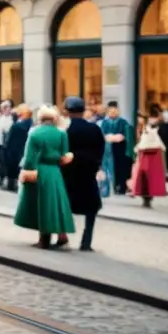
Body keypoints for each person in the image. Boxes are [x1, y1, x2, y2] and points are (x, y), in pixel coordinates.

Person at [14, 105, 75, 248]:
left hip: (39, 170)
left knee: (42, 204)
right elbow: (65, 155)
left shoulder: (35, 133)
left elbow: (29, 157)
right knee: (57, 203)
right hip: (55, 171)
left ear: (40, 118)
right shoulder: (61, 133)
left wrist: (27, 171)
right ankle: (62, 235)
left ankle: (44, 239)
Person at [61, 97, 105, 251]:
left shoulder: (65, 130)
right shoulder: (94, 129)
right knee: (91, 208)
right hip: (87, 173)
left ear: (67, 111)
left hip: (69, 173)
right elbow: (100, 149)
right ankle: (86, 241)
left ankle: (62, 236)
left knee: (64, 204)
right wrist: (96, 166)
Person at [132, 115, 168, 208]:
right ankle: (147, 198)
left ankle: (147, 198)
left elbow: (143, 145)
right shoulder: (148, 131)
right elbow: (161, 146)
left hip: (147, 159)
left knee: (146, 179)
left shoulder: (148, 131)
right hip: (150, 158)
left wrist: (137, 149)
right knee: (147, 179)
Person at [100, 102, 133, 194]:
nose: (113, 112)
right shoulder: (105, 122)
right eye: (111, 111)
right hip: (108, 149)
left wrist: (120, 137)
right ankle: (112, 187)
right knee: (110, 168)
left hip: (120, 148)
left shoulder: (123, 122)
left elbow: (127, 135)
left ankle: (121, 187)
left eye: (115, 110)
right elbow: (102, 134)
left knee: (121, 168)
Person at [3, 104, 32, 192]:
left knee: (13, 168)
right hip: (23, 149)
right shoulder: (30, 124)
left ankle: (12, 184)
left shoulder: (17, 126)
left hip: (15, 150)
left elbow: (10, 140)